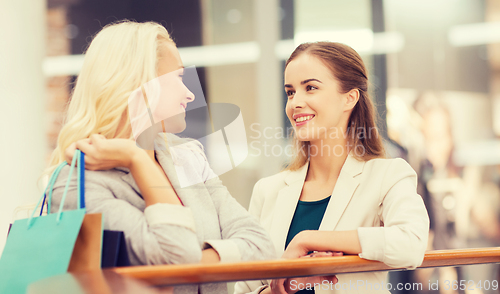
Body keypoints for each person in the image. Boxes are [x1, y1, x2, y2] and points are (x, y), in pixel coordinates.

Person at [46, 20, 275, 294]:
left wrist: (196, 262)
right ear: (140, 84)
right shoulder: (78, 185)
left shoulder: (186, 155)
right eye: (179, 78)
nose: (190, 93)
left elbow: (261, 245)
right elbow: (176, 255)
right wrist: (137, 159)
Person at [234, 42, 430, 294]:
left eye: (311, 88)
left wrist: (308, 239)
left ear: (350, 98)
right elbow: (244, 289)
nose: (295, 103)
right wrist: (276, 290)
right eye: (291, 92)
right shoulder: (267, 191)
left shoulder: (387, 175)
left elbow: (411, 243)